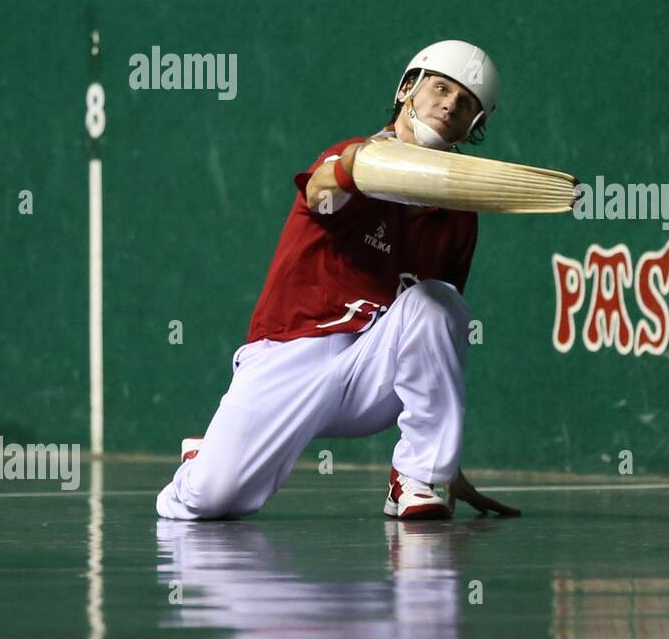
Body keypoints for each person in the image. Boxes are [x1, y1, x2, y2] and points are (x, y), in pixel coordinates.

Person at [156, 39, 520, 521]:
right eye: (440, 87)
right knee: (208, 502)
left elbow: (436, 342)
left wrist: (442, 459)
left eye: (466, 102)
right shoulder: (355, 160)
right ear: (408, 90)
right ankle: (210, 456)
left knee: (438, 304)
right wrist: (354, 167)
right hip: (293, 354)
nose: (450, 103)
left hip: (371, 372)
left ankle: (418, 479)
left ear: (472, 126)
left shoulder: (457, 216)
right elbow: (321, 191)